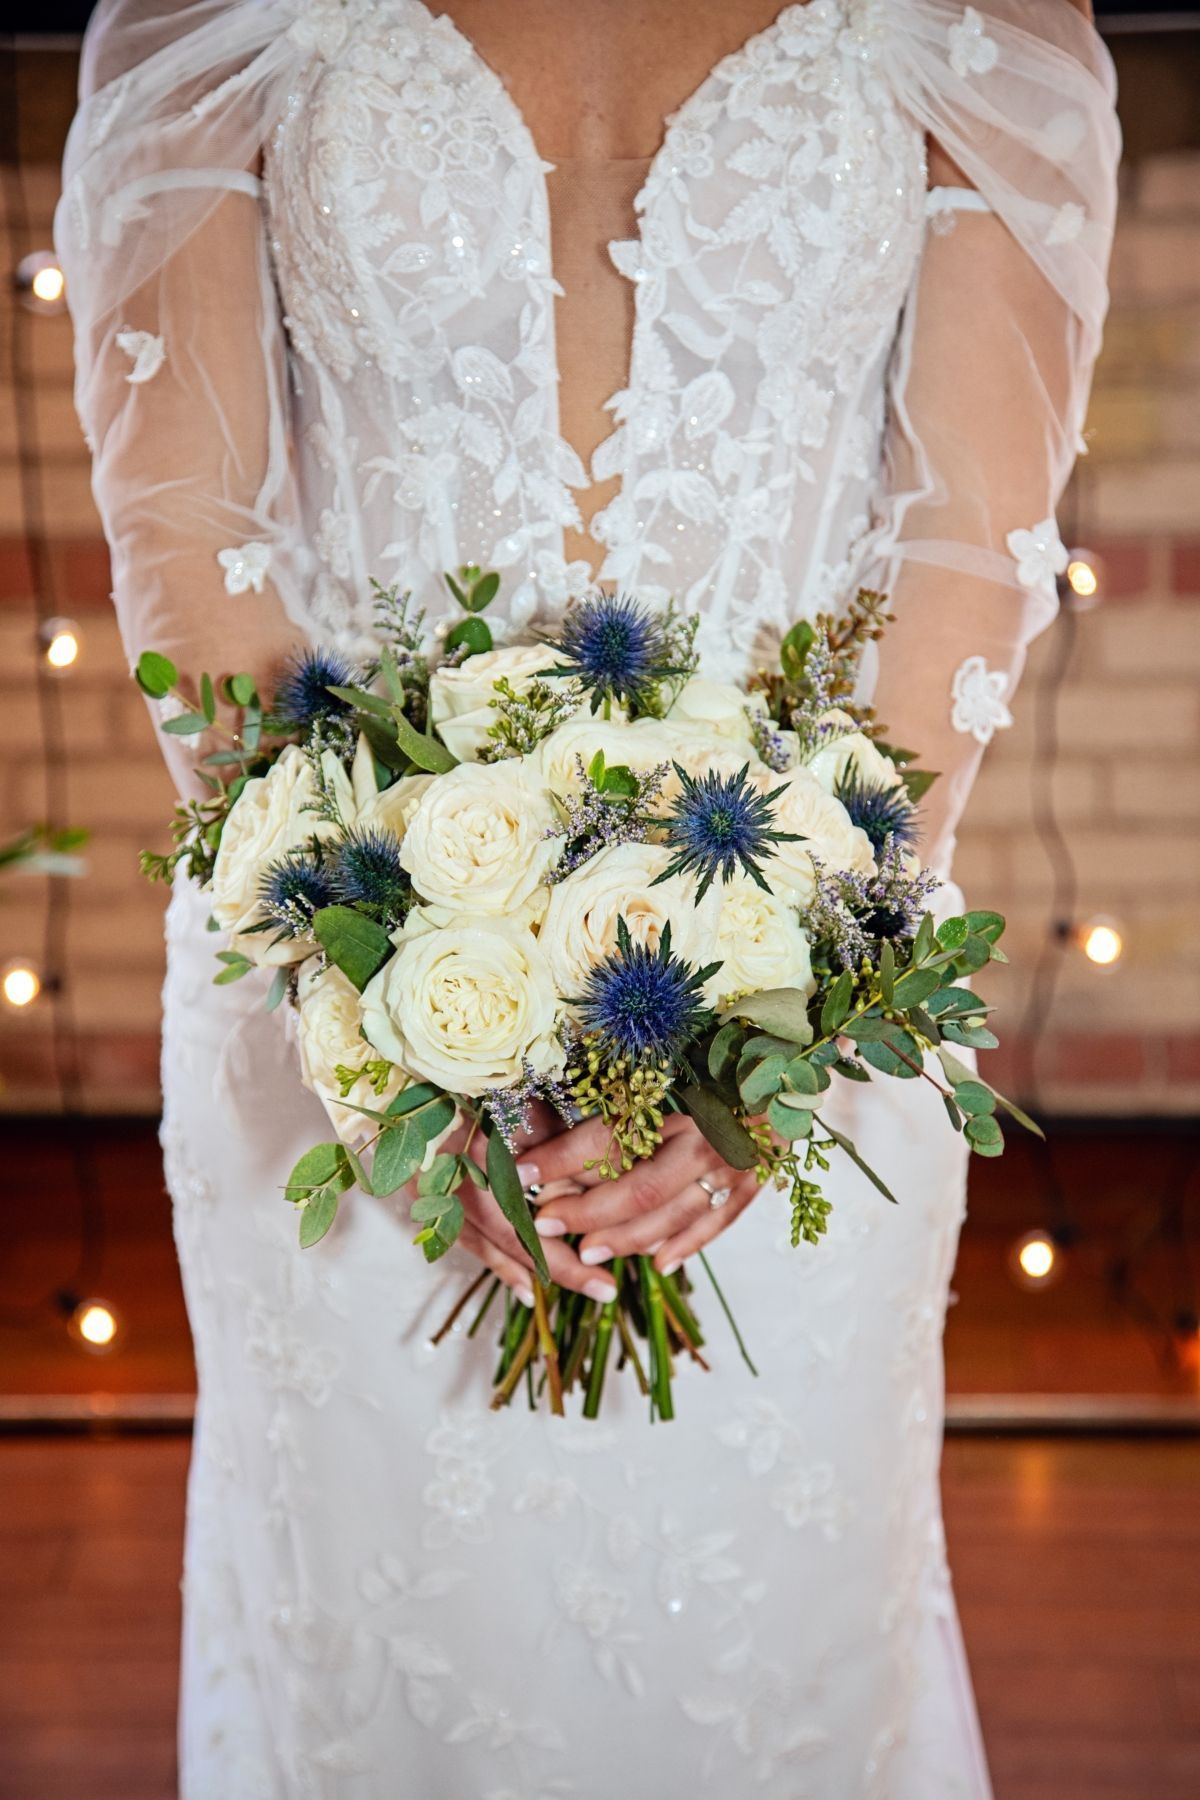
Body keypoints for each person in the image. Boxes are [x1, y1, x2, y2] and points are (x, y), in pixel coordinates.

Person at [58, 2, 1118, 1793]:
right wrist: (387, 1031)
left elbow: (963, 576)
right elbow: (188, 546)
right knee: (388, 1669)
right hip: (334, 998)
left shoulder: (977, 23)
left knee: (770, 1646)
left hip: (814, 1004)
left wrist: (775, 1043)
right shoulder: (215, 14)